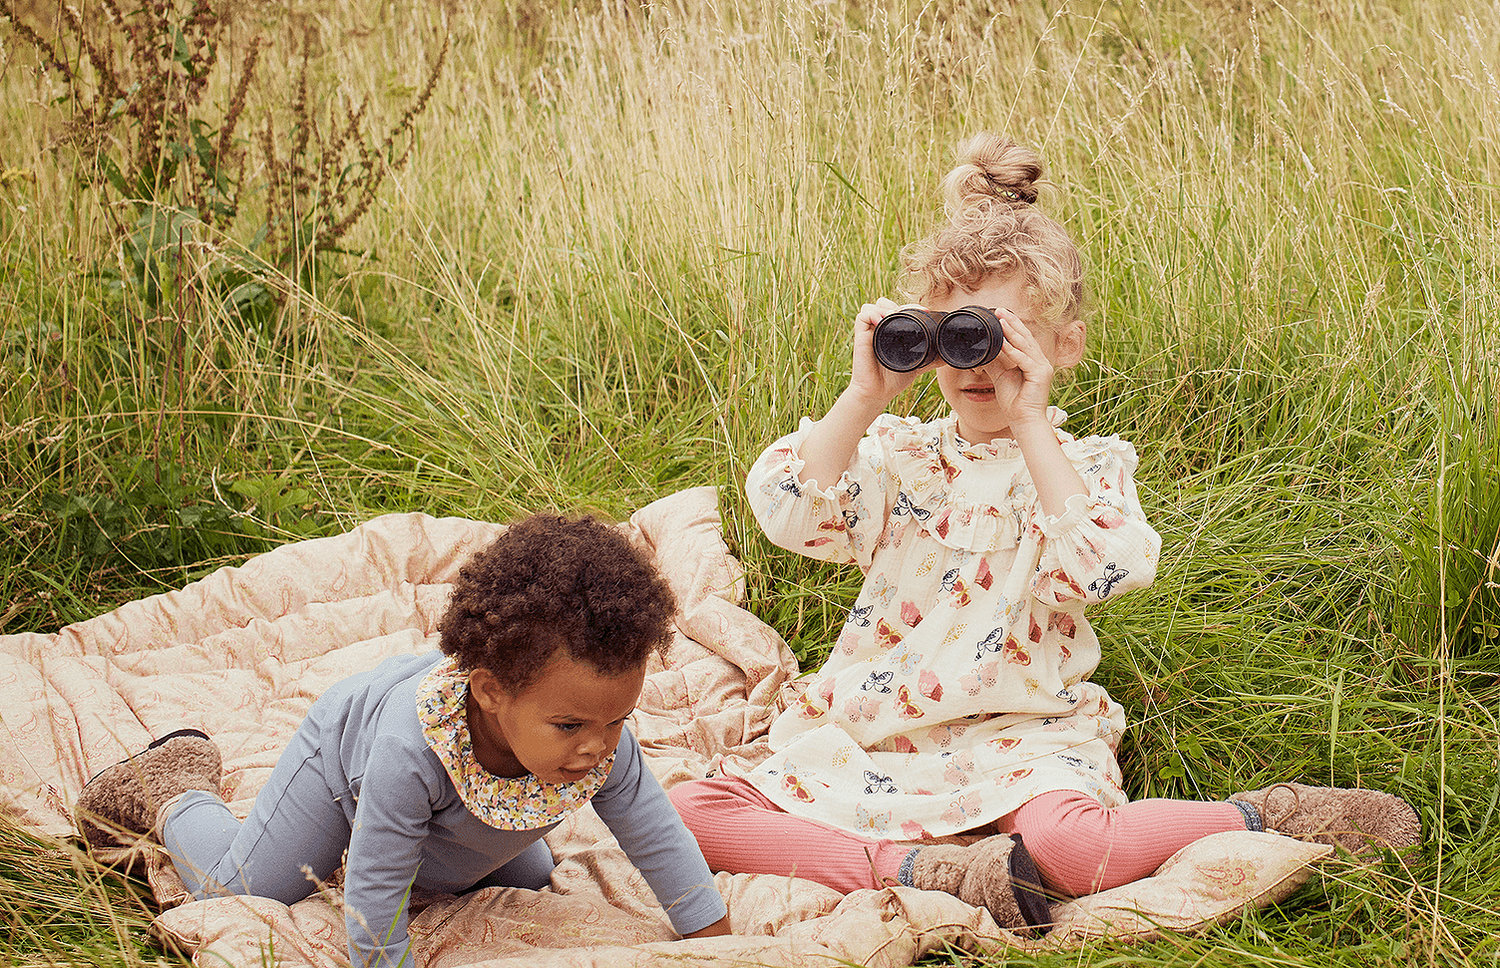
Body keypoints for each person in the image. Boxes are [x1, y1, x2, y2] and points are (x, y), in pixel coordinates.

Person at [669, 133, 1419, 932]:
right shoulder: (898, 457)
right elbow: (789, 511)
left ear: (1065, 345)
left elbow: (1106, 572)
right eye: (950, 334)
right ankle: (923, 869)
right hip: (878, 728)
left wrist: (1032, 424)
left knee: (1069, 848)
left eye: (995, 334)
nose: (973, 360)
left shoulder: (1079, 471)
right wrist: (864, 398)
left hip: (1022, 734)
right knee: (688, 810)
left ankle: (1266, 817)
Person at [75, 513, 731, 967]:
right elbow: (376, 894)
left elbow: (658, 836)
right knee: (238, 890)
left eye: (616, 720)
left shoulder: (598, 735)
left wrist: (719, 943)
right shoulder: (406, 751)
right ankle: (174, 786)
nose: (597, 747)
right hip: (341, 776)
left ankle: (402, 839)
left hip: (461, 817)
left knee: (535, 874)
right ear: (491, 691)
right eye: (571, 727)